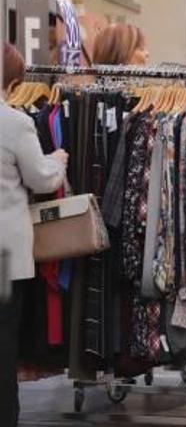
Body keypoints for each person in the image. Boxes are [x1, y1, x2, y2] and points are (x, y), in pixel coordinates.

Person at [1, 43, 69, 426]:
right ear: (13, 82)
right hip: (5, 256)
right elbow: (39, 176)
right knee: (3, 340)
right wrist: (56, 161)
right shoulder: (15, 123)